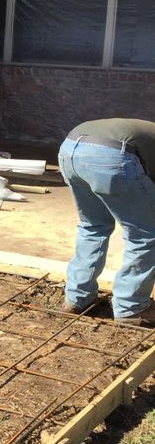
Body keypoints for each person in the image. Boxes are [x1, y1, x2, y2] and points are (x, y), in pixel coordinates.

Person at [58, 119, 155, 324]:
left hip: (70, 149)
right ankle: (131, 306)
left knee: (93, 226)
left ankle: (77, 297)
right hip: (112, 154)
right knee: (146, 233)